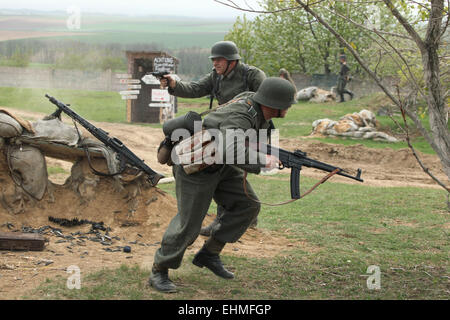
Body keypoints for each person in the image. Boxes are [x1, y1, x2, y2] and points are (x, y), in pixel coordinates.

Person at [148, 77, 297, 293]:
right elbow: (231, 150)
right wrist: (263, 160)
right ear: (275, 104)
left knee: (248, 204)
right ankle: (159, 270)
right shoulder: (241, 114)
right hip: (195, 166)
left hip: (219, 163)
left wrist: (267, 152)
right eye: (287, 105)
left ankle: (209, 254)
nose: (288, 109)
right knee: (188, 224)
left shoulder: (255, 106)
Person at [160, 40, 267, 236]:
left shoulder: (252, 75)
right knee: (227, 171)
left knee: (235, 171)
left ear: (232, 61)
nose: (215, 63)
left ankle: (242, 218)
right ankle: (228, 219)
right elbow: (195, 88)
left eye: (219, 60)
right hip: (225, 128)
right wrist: (175, 85)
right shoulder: (216, 77)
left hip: (250, 128)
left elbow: (267, 101)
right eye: (214, 60)